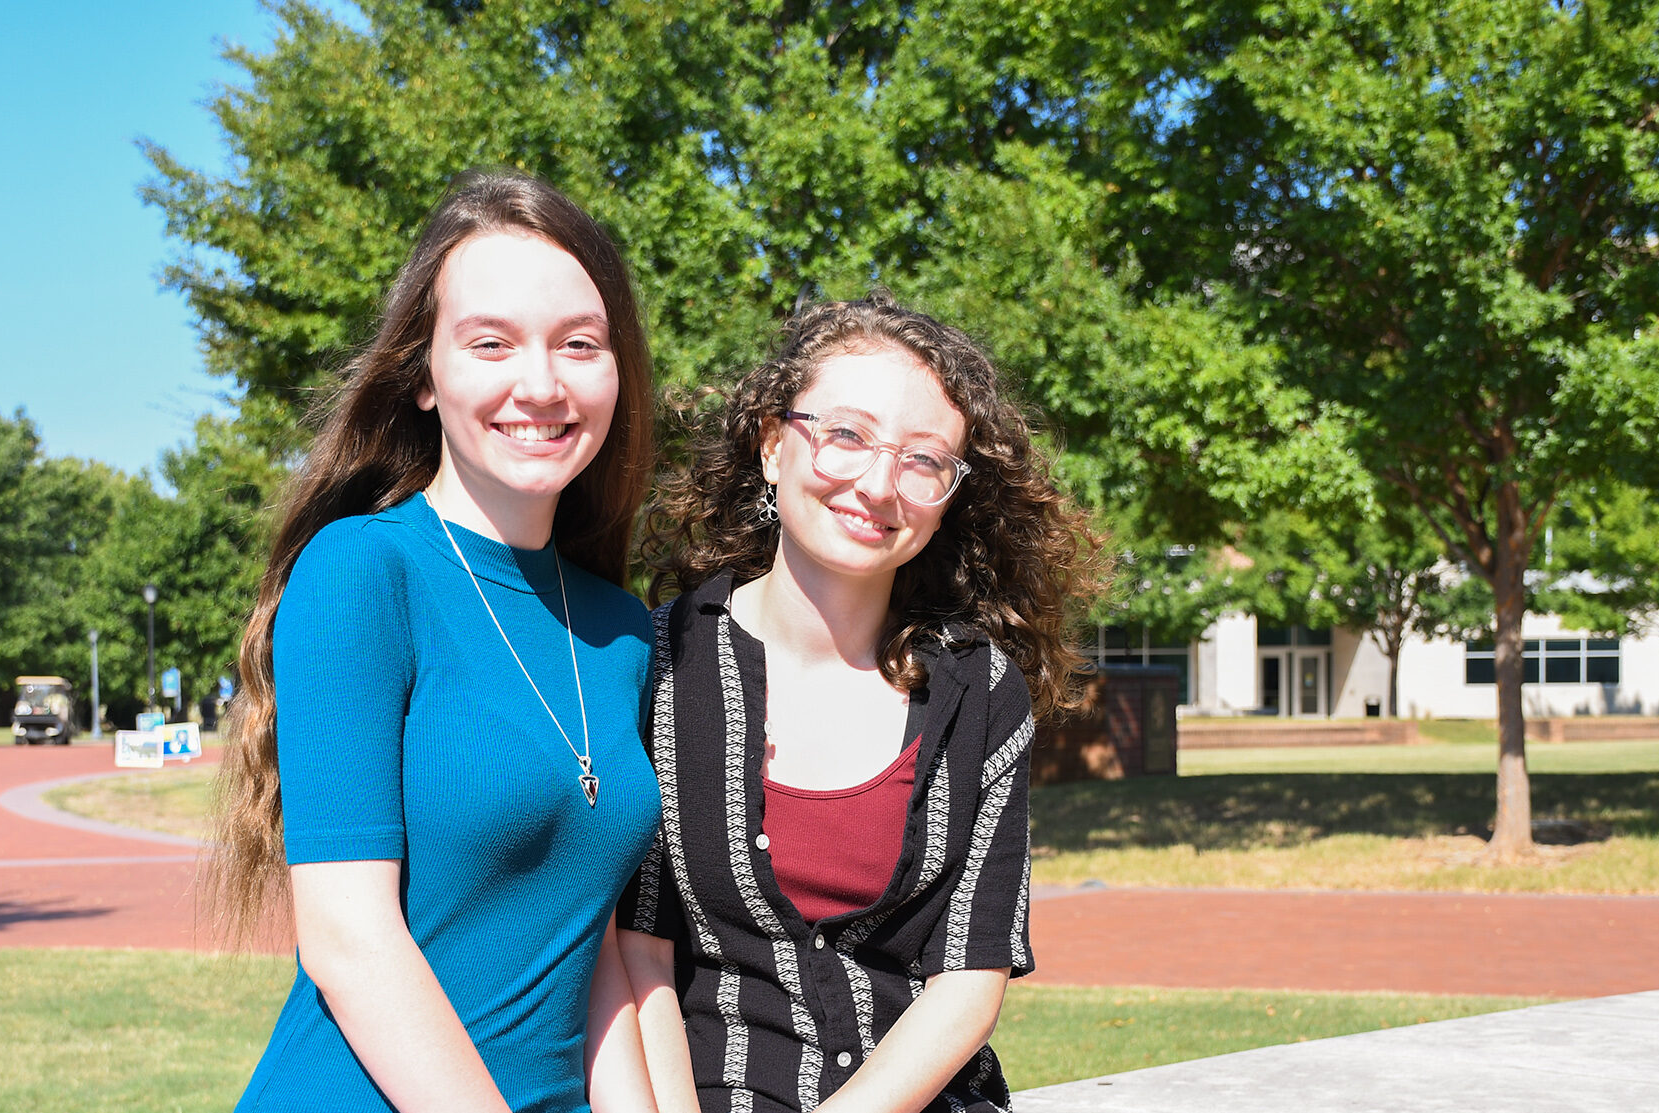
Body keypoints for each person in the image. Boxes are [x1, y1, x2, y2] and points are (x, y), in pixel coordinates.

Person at [209, 170, 664, 1113]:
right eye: (490, 342)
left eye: (579, 344)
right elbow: (348, 941)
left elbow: (598, 951)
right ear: (424, 376)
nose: (539, 383)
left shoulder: (621, 630)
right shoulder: (362, 571)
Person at [615, 294, 1103, 1113]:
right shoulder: (657, 664)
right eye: (846, 434)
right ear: (773, 444)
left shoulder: (979, 692)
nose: (878, 483)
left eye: (923, 459)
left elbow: (966, 982)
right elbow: (640, 956)